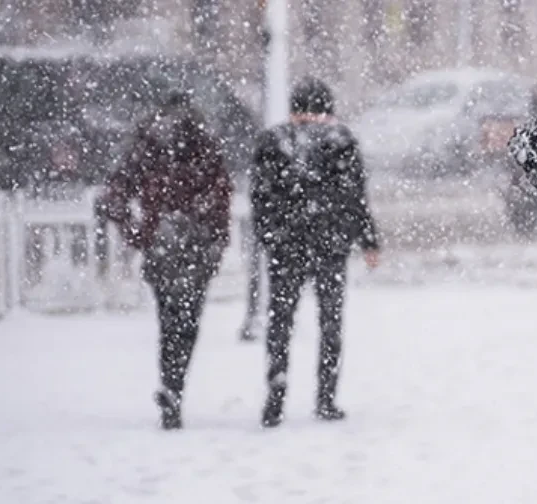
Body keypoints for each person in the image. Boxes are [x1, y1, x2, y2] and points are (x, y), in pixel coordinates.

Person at [95, 92, 232, 430]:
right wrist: (216, 238)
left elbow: (115, 194)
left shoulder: (147, 144)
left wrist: (137, 232)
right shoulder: (204, 144)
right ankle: (175, 384)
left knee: (168, 319)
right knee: (188, 321)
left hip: (161, 241)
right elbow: (221, 195)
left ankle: (171, 385)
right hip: (197, 242)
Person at [250, 78, 381, 428]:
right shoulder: (341, 141)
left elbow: (260, 197)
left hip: (286, 245)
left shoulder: (272, 141)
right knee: (330, 321)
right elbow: (355, 197)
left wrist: (270, 236)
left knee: (281, 319)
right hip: (330, 245)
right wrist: (367, 239)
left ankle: (276, 387)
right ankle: (326, 396)